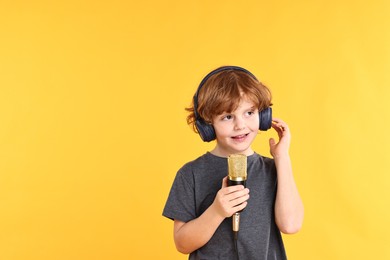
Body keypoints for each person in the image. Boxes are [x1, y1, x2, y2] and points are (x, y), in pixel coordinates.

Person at [162, 66, 304, 260]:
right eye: (227, 117)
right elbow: (182, 243)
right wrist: (217, 211)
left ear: (263, 116)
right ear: (207, 125)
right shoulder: (190, 174)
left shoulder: (274, 169)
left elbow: (291, 225)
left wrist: (282, 158)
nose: (240, 125)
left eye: (249, 113)